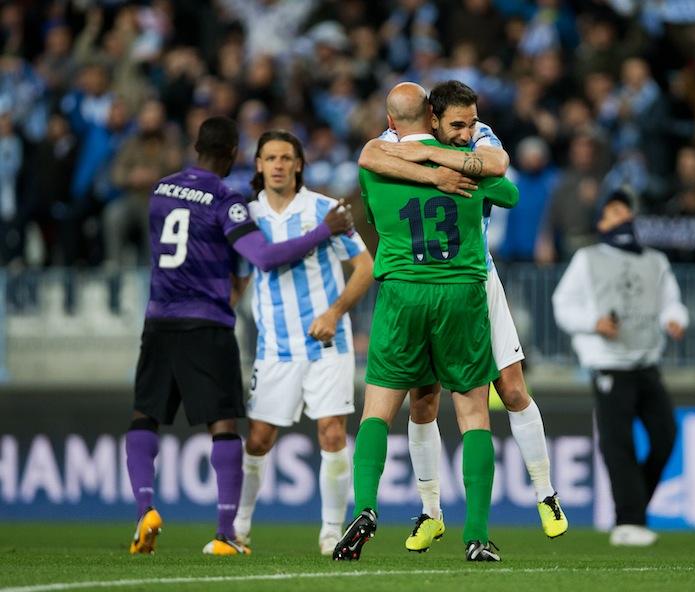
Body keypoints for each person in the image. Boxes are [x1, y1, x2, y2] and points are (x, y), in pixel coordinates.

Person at [124, 116, 353, 556]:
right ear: (234, 155)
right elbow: (263, 257)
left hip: (158, 319)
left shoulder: (159, 191)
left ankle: (143, 511)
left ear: (195, 147)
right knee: (225, 426)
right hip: (206, 321)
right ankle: (228, 531)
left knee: (143, 415)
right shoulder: (227, 200)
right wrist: (324, 232)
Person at [358, 80, 566, 552]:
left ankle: (546, 493)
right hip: (444, 281)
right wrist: (434, 169)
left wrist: (433, 158)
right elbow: (370, 154)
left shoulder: (477, 136)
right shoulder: (391, 142)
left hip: (478, 275)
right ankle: (431, 513)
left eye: (472, 122)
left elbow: (498, 167)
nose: (467, 132)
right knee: (424, 401)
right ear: (432, 119)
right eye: (458, 125)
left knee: (511, 388)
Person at [333, 82, 519, 563]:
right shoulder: (461, 159)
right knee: (474, 414)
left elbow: (369, 165)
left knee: (377, 410)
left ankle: (367, 509)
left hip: (400, 292)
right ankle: (476, 535)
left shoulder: (376, 163)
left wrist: (416, 167)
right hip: (460, 291)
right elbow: (510, 192)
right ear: (434, 118)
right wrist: (447, 167)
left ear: (392, 121)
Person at [232, 130, 374, 556]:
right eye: (269, 157)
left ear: (298, 164)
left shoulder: (325, 209)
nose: (277, 164)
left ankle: (331, 532)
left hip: (328, 345)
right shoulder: (246, 215)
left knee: (332, 433)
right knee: (258, 439)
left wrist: (334, 313)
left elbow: (365, 267)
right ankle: (237, 529)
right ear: (258, 164)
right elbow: (240, 276)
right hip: (274, 348)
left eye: (285, 157)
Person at [552, 190, 688, 547]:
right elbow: (562, 305)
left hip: (647, 361)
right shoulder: (588, 258)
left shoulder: (656, 260)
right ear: (602, 223)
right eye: (614, 212)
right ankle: (629, 521)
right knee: (619, 444)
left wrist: (675, 320)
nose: (622, 218)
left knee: (666, 436)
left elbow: (671, 302)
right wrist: (593, 323)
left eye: (626, 212)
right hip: (609, 364)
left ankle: (633, 510)